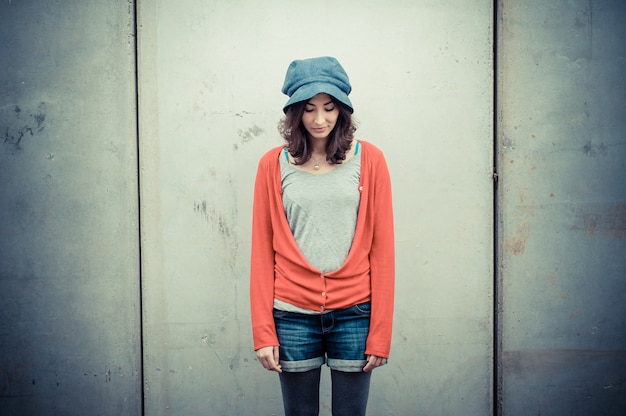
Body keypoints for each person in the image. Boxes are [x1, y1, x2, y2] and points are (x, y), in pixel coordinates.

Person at [250, 56, 395, 416]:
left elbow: (383, 251)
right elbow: (260, 251)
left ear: (342, 110)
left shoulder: (370, 160)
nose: (319, 120)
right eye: (309, 109)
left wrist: (380, 331)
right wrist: (263, 332)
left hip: (355, 312)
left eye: (329, 108)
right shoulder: (272, 165)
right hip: (292, 314)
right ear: (295, 113)